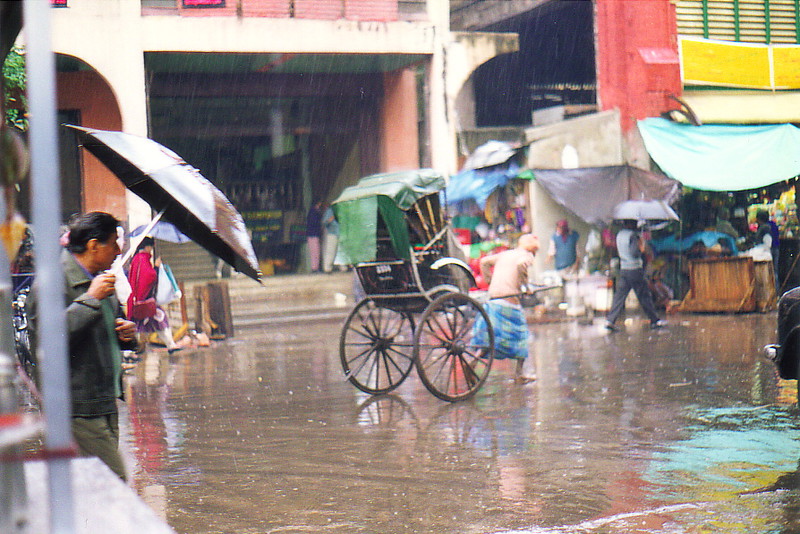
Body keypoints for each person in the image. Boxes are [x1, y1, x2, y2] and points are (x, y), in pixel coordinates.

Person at [29, 212, 138, 480]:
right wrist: (90, 299)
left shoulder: (102, 281)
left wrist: (129, 335)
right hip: (76, 408)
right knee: (115, 485)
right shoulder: (53, 282)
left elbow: (112, 332)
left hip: (104, 402)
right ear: (93, 245)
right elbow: (48, 340)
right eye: (113, 243)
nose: (117, 250)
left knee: (92, 489)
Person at [474, 233, 539, 384]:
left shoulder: (506, 254)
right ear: (533, 249)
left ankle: (475, 360)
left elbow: (484, 262)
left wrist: (489, 281)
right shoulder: (527, 256)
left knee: (491, 337)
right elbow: (521, 265)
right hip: (508, 300)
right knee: (521, 334)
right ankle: (519, 374)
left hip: (494, 299)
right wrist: (526, 286)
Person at [605, 220, 665, 331]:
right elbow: (634, 253)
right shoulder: (633, 236)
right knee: (644, 296)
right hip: (635, 269)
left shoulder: (620, 235)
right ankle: (655, 320)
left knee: (619, 296)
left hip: (624, 269)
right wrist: (641, 247)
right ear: (632, 224)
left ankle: (610, 320)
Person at [127, 236, 180, 354]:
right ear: (147, 247)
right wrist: (156, 267)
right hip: (145, 300)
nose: (151, 250)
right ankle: (170, 345)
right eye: (151, 247)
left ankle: (170, 344)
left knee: (139, 325)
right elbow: (148, 277)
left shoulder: (137, 259)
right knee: (161, 319)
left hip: (138, 300)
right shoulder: (142, 259)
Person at [306, 200, 323, 273]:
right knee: (316, 252)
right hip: (314, 234)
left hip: (311, 234)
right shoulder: (315, 212)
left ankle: (314, 267)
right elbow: (316, 223)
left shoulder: (311, 212)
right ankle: (315, 268)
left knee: (314, 252)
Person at [322, 203, 339, 273]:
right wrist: (330, 220)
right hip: (332, 233)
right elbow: (324, 222)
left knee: (340, 251)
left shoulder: (342, 210)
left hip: (341, 233)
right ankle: (327, 268)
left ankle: (343, 268)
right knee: (330, 251)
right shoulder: (330, 210)